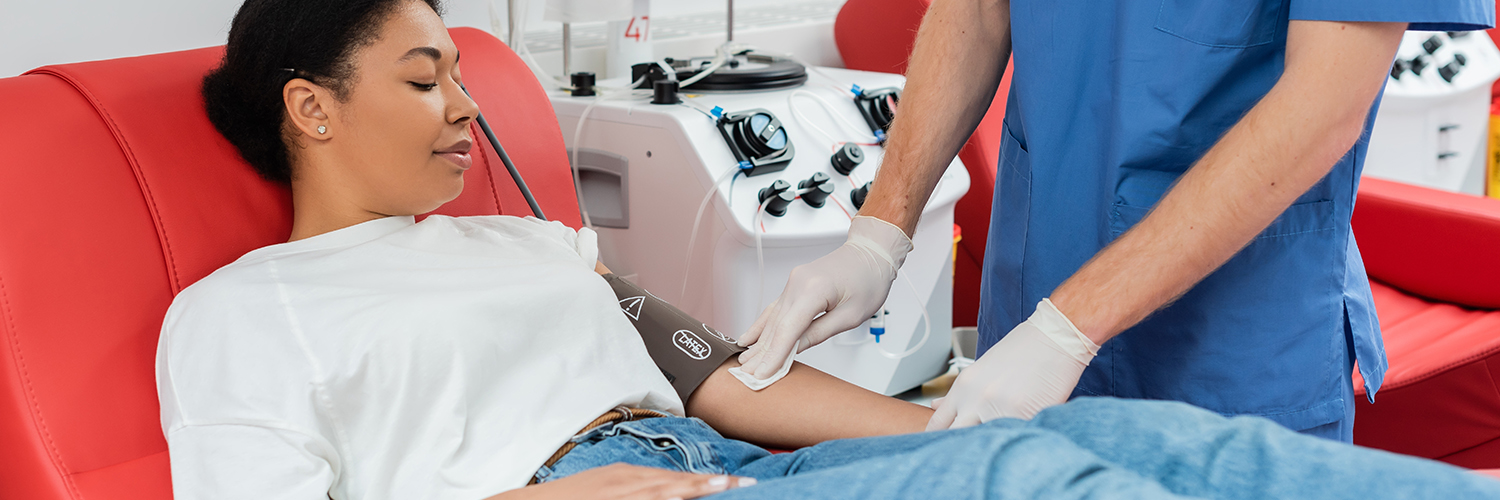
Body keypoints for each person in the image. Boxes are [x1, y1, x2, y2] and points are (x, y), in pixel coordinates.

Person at [157, 0, 1500, 498]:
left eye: (464, 71)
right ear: (311, 108)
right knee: (1052, 484)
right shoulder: (241, 313)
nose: (466, 103)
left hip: (730, 459)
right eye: (422, 77)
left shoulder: (534, 244)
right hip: (634, 493)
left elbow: (723, 380)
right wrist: (878, 229)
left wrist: (943, 428)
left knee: (1189, 455)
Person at [735, 0, 1495, 440]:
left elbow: (1323, 106)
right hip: (1027, 325)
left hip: (1230, 357)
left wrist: (1069, 327)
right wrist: (880, 233)